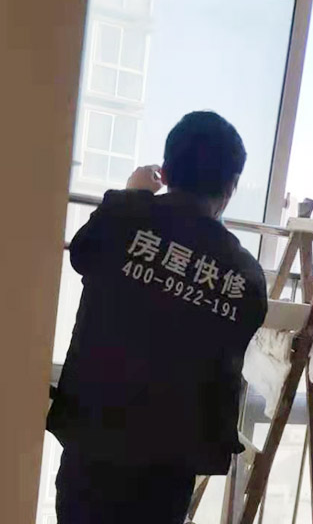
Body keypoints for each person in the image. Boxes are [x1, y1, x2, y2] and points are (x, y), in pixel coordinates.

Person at [47, 111, 268, 524]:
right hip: (169, 467)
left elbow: (83, 254)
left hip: (93, 444)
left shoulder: (123, 217)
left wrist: (133, 194)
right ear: (231, 186)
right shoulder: (245, 276)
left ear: (165, 172)